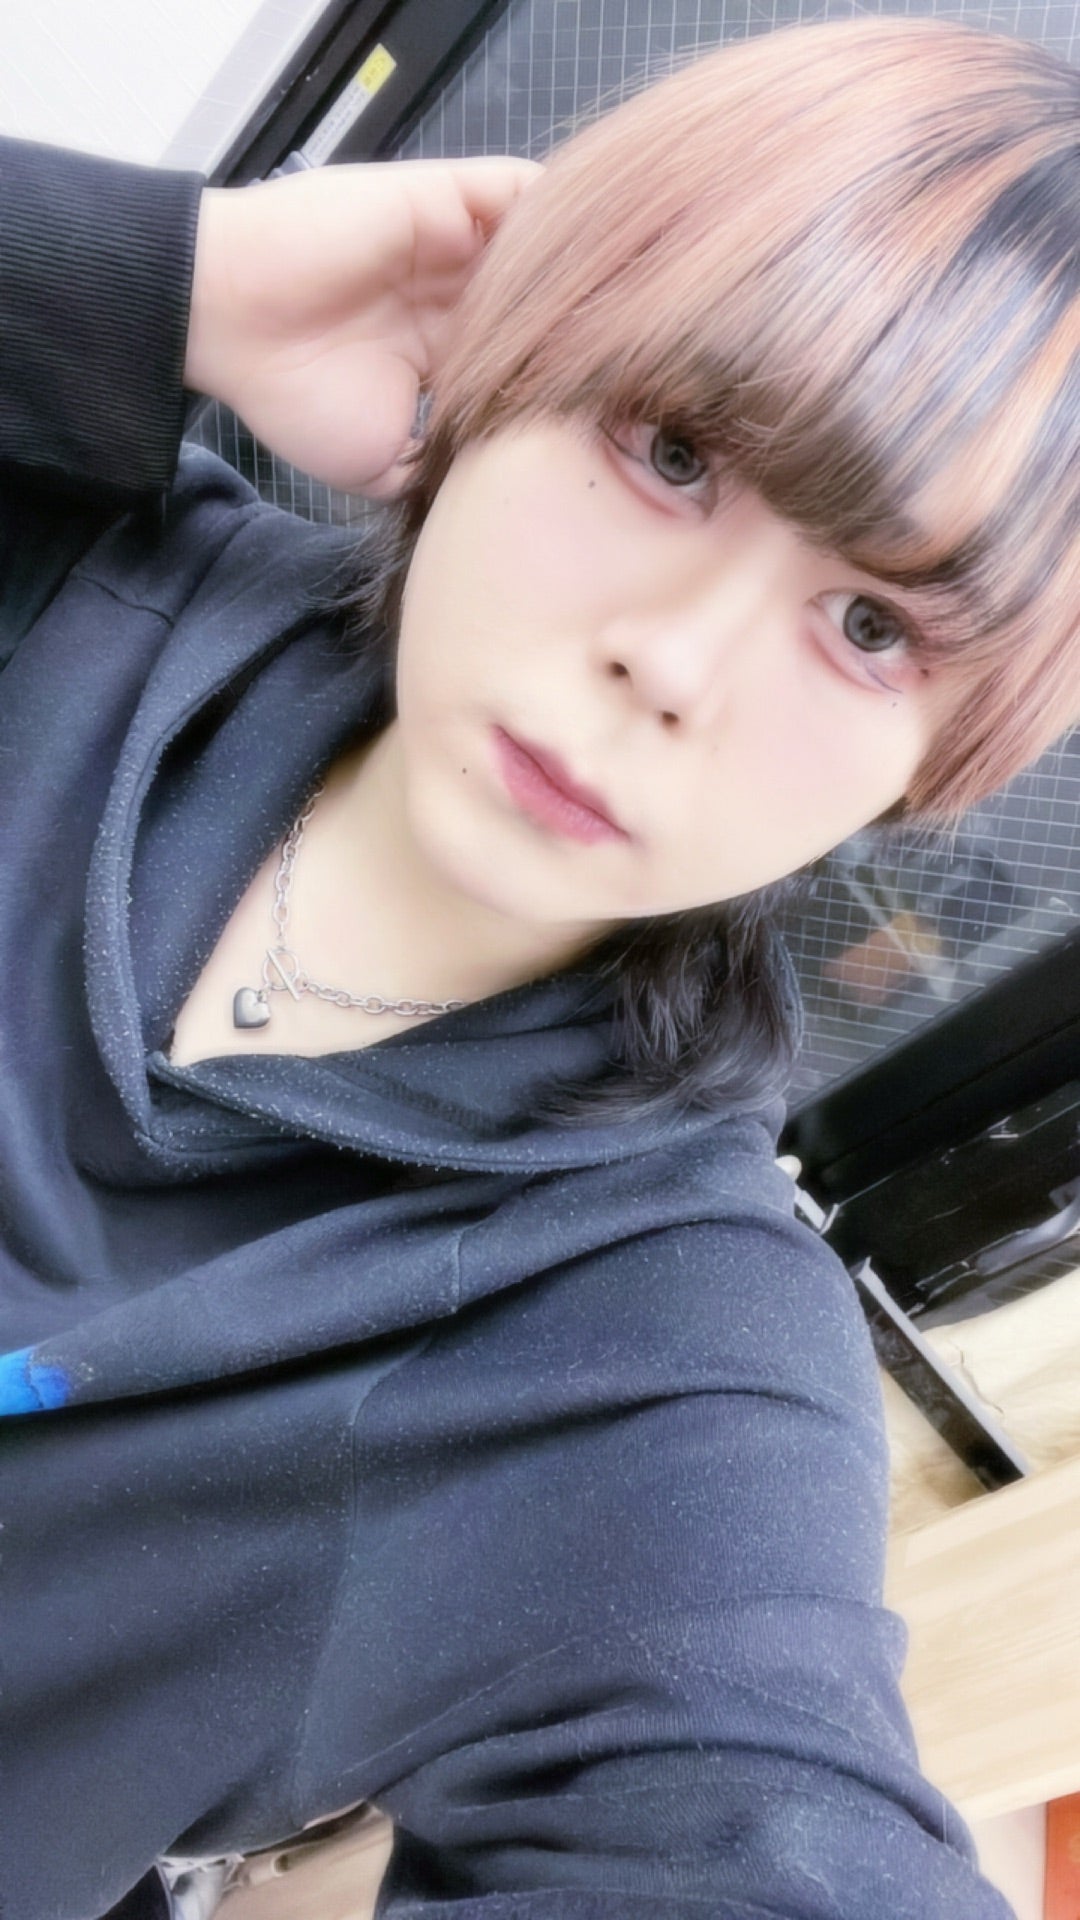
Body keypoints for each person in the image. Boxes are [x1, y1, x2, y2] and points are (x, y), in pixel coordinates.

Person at [2, 12, 1076, 1916]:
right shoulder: (68, 575)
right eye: (675, 450)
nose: (673, 660)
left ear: (944, 755)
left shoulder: (643, 1354)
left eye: (870, 625)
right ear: (519, 362)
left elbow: (761, 1826)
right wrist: (178, 279)